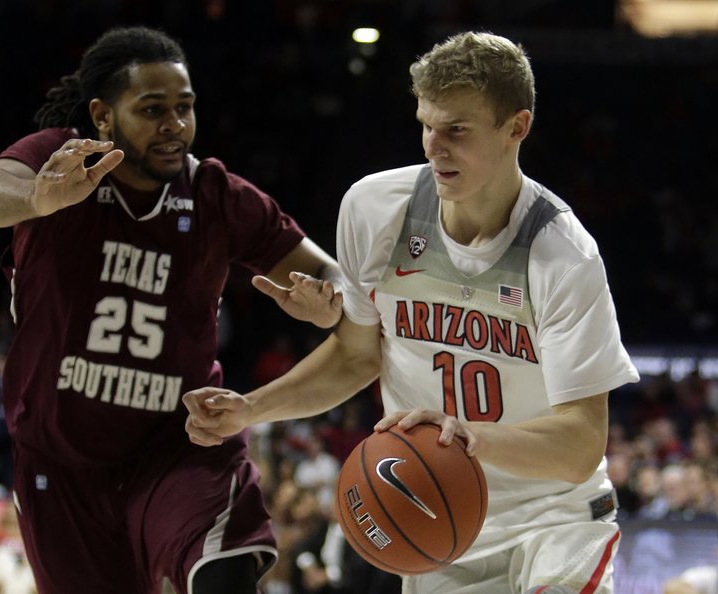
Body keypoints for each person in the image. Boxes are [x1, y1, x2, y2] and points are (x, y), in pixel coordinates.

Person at [184, 31, 640, 593]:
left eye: (457, 130)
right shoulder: (375, 209)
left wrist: (469, 438)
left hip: (552, 524)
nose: (433, 146)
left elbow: (578, 446)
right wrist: (249, 408)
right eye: (427, 124)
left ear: (516, 128)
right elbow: (355, 357)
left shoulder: (562, 254)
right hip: (436, 526)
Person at [0, 25, 343, 594]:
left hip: (179, 442)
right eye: (153, 109)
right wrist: (38, 198)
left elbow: (327, 275)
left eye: (185, 108)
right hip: (59, 460)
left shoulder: (216, 194)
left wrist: (325, 303)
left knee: (225, 574)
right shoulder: (58, 162)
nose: (175, 125)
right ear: (103, 115)